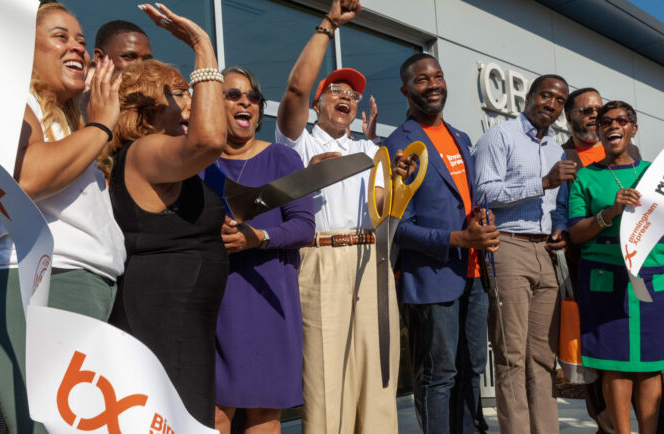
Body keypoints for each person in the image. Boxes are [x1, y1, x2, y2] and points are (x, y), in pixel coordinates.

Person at [0, 2, 126, 432]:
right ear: (17, 47)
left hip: (72, 284)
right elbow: (24, 175)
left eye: (82, 42)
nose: (78, 50)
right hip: (28, 280)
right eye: (60, 36)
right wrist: (101, 127)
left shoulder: (67, 121)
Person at [274, 1, 414, 432]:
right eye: (336, 91)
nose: (346, 99)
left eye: (352, 95)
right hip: (321, 259)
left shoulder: (373, 151)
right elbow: (295, 90)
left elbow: (383, 214)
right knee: (324, 375)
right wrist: (328, 26)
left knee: (377, 376)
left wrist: (401, 183)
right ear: (318, 102)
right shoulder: (296, 142)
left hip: (371, 260)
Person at [101, 3, 227, 427]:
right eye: (181, 91)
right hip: (162, 321)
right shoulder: (144, 150)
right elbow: (210, 139)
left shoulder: (165, 156)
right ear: (153, 104)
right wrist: (201, 47)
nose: (193, 99)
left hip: (183, 322)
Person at [562, 88, 664, 434]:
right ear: (599, 132)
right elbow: (575, 234)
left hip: (652, 278)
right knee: (615, 365)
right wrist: (610, 212)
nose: (612, 125)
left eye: (621, 120)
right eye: (605, 122)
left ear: (633, 129)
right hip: (604, 279)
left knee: (649, 366)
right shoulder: (586, 176)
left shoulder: (654, 172)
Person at [383, 52, 499, 433]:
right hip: (432, 277)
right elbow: (395, 226)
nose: (433, 84)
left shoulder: (461, 137)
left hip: (474, 273)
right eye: (422, 79)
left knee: (472, 369)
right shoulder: (398, 146)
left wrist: (478, 221)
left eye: (437, 76)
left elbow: (462, 200)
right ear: (405, 89)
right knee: (439, 375)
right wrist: (456, 238)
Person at [211, 66, 315, 434]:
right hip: (214, 302)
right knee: (215, 413)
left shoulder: (283, 160)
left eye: (252, 97)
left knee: (264, 413)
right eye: (234, 95)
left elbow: (304, 226)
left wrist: (260, 237)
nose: (246, 102)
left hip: (269, 298)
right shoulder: (197, 162)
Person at [474, 74, 574, 434]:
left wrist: (560, 227)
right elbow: (483, 193)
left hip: (545, 252)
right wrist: (542, 183)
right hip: (508, 246)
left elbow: (559, 204)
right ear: (529, 96)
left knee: (543, 358)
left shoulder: (556, 149)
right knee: (511, 357)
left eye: (559, 100)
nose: (551, 104)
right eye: (545, 96)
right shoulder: (500, 136)